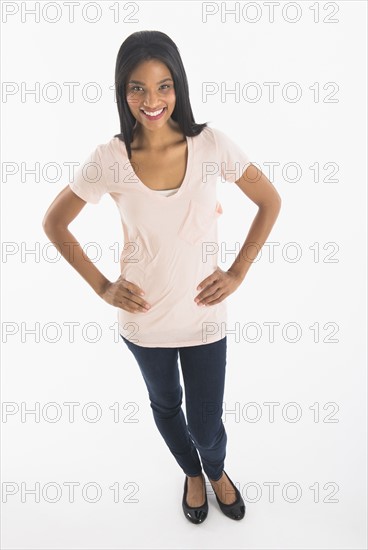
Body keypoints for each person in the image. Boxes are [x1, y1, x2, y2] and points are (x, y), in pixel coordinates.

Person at [42, 30, 281, 524]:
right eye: (137, 88)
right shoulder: (109, 159)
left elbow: (269, 201)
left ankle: (215, 470)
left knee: (206, 421)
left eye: (163, 86)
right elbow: (54, 222)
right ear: (122, 91)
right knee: (166, 406)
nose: (152, 101)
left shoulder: (212, 144)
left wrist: (238, 271)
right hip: (144, 323)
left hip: (203, 318)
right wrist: (103, 286)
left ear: (179, 87)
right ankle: (191, 472)